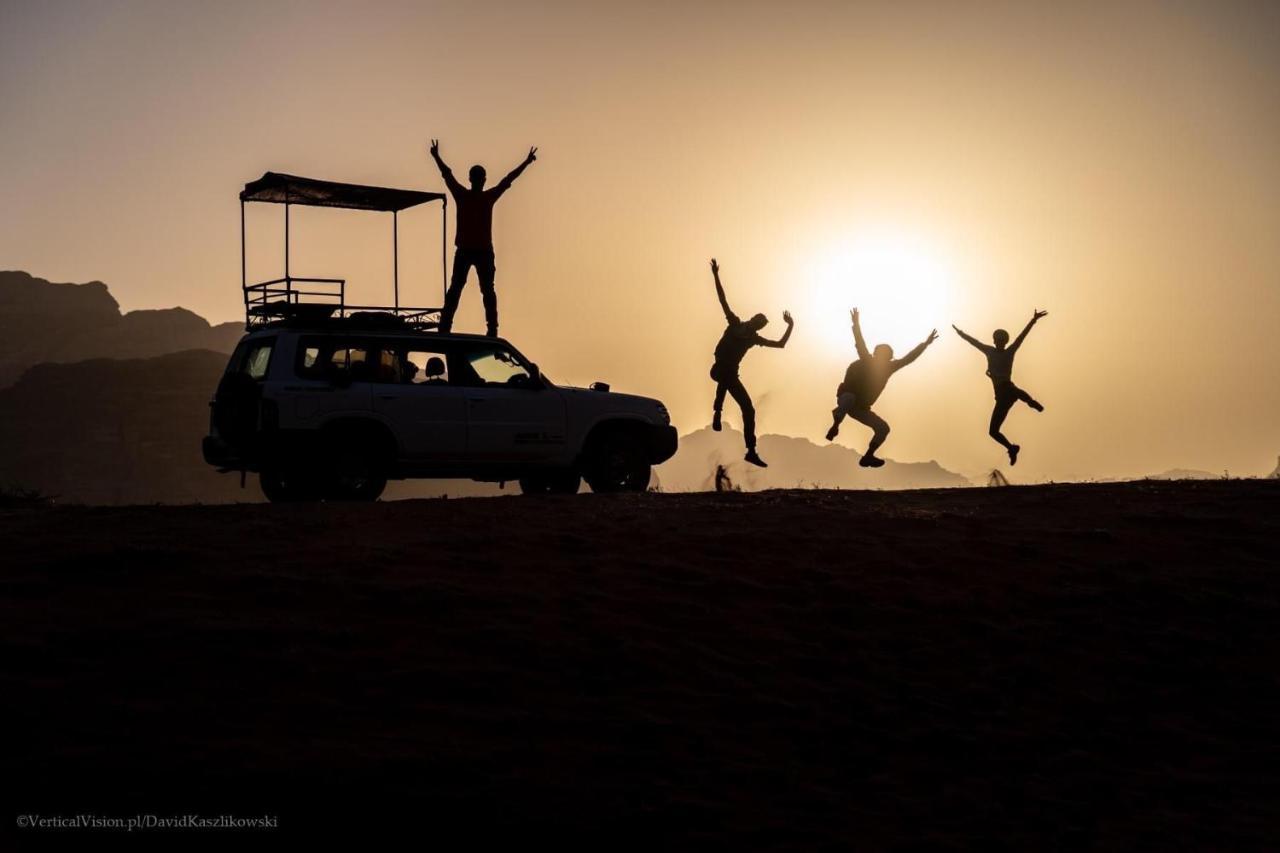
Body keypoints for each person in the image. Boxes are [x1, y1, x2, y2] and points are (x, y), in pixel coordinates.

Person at [429, 139, 537, 336]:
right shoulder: (478, 197)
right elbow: (506, 180)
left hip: (478, 251)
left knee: (473, 290)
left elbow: (449, 176)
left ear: (473, 179)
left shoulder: (473, 196)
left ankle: (454, 325)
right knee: (474, 290)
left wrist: (526, 162)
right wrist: (436, 157)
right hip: (474, 251)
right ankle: (473, 327)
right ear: (479, 179)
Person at [707, 258, 793, 468]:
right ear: (753, 318)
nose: (758, 326)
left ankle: (751, 450)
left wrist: (791, 326)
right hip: (718, 370)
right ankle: (717, 412)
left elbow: (780, 344)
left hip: (729, 376)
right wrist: (716, 275)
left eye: (761, 325)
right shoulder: (735, 323)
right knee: (726, 372)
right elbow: (722, 299)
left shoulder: (753, 338)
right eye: (758, 322)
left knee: (749, 409)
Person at [825, 308, 938, 468]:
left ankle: (868, 456)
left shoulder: (889, 367)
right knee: (849, 398)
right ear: (876, 355)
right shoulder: (867, 360)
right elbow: (860, 342)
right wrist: (855, 324)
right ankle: (836, 425)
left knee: (883, 428)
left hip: (861, 409)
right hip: (846, 399)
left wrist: (925, 344)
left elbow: (908, 358)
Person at [953, 310, 1047, 465]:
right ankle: (1012, 448)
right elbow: (974, 342)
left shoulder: (1009, 351)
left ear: (1004, 341)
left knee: (1013, 390)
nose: (1000, 342)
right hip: (1002, 399)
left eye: (1002, 340)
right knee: (993, 432)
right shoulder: (989, 350)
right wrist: (960, 333)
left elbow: (1021, 337)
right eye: (998, 340)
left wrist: (1033, 320)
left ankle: (1031, 401)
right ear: (995, 340)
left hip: (1007, 390)